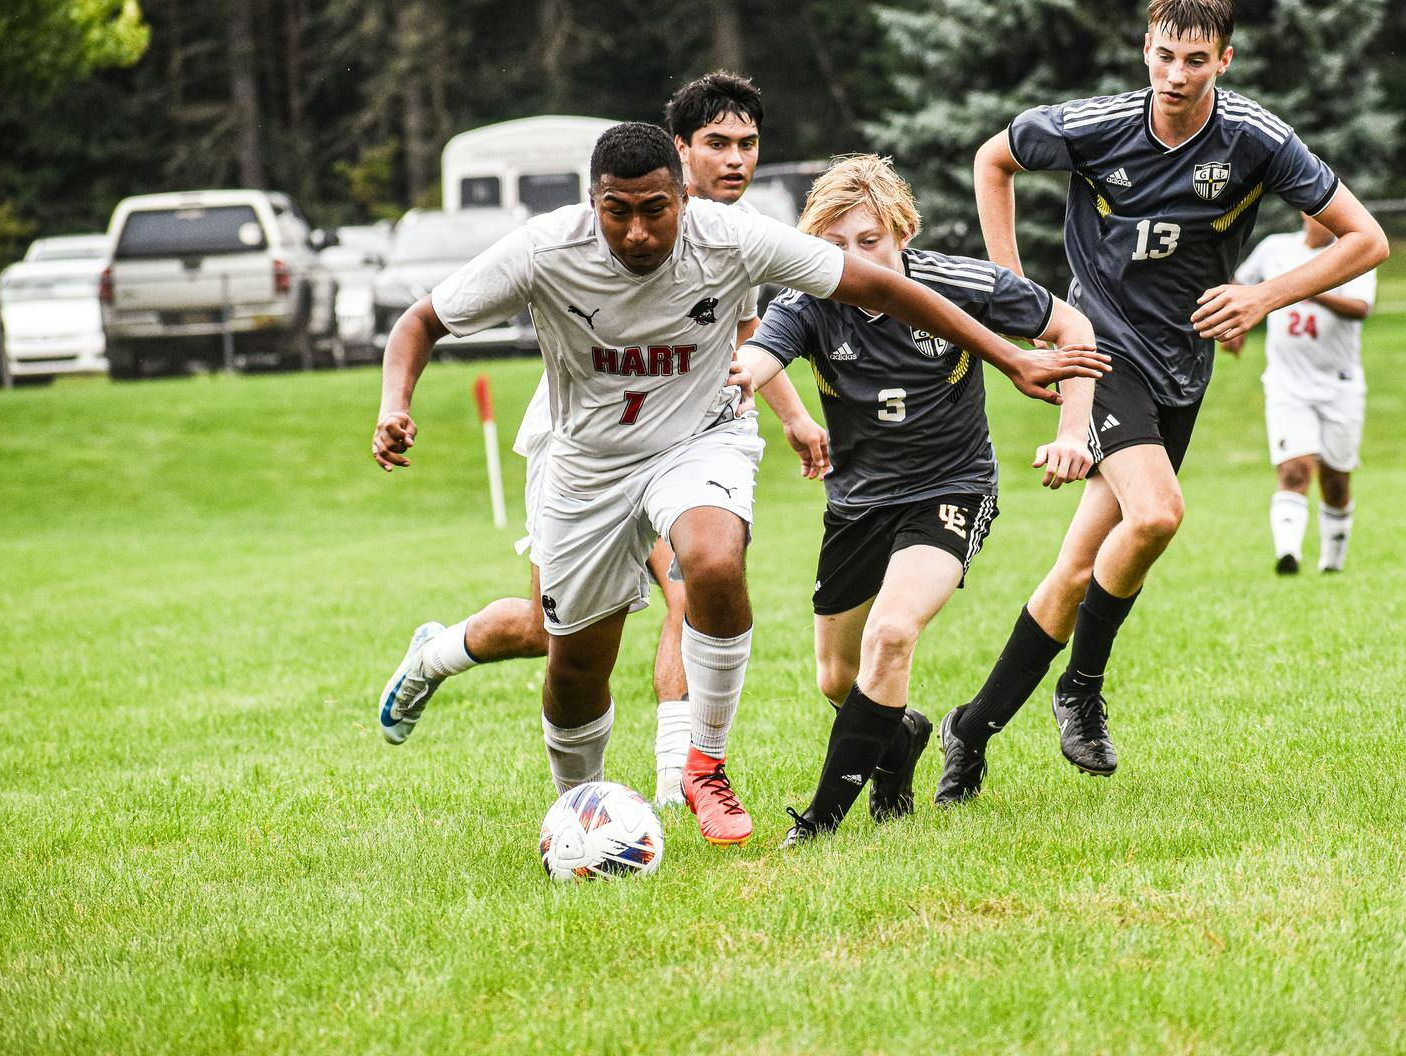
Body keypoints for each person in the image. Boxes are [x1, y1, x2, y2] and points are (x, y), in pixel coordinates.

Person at [372, 124, 1106, 845]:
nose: (634, 232)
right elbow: (420, 321)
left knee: (722, 567)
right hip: (599, 463)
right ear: (591, 201)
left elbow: (905, 292)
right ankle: (581, 812)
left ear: (681, 201)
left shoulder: (740, 237)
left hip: (750, 451)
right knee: (577, 658)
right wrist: (394, 405)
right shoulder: (544, 248)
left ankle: (721, 775)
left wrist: (1019, 370)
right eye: (616, 211)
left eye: (653, 210)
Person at [935, 0, 1388, 805]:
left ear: (1225, 58)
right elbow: (991, 159)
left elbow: (1367, 240)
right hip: (1102, 350)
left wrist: (1260, 295)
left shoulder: (1255, 139)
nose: (1175, 76)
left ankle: (971, 729)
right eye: (1163, 55)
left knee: (1078, 567)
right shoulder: (1097, 125)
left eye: (1196, 61)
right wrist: (1019, 297)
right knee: (1158, 512)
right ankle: (1082, 691)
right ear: (1145, 47)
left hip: (1182, 367)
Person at [376, 72, 828, 815]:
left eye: (748, 144)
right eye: (717, 144)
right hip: (581, 445)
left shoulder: (733, 236)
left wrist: (790, 413)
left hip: (682, 443)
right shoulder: (615, 225)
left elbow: (740, 341)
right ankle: (434, 652)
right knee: (546, 635)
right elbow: (431, 319)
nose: (735, 160)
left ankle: (675, 784)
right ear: (681, 154)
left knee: (694, 581)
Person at [729, 155, 1097, 845]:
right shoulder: (809, 302)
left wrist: (1073, 431)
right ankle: (899, 741)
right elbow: (760, 356)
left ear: (902, 231)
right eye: (835, 247)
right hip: (857, 505)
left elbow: (1072, 328)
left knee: (891, 635)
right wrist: (739, 376)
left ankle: (819, 825)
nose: (855, 259)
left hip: (950, 488)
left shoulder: (960, 284)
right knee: (837, 676)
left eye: (869, 242)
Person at [1224, 214, 1376, 574]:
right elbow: (1239, 281)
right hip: (1286, 383)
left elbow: (1360, 308)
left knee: (1336, 480)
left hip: (1339, 384)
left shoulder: (1353, 252)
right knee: (1293, 469)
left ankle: (1332, 565)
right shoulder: (1275, 249)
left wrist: (1309, 289)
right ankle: (1287, 555)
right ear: (1306, 214)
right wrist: (1233, 326)